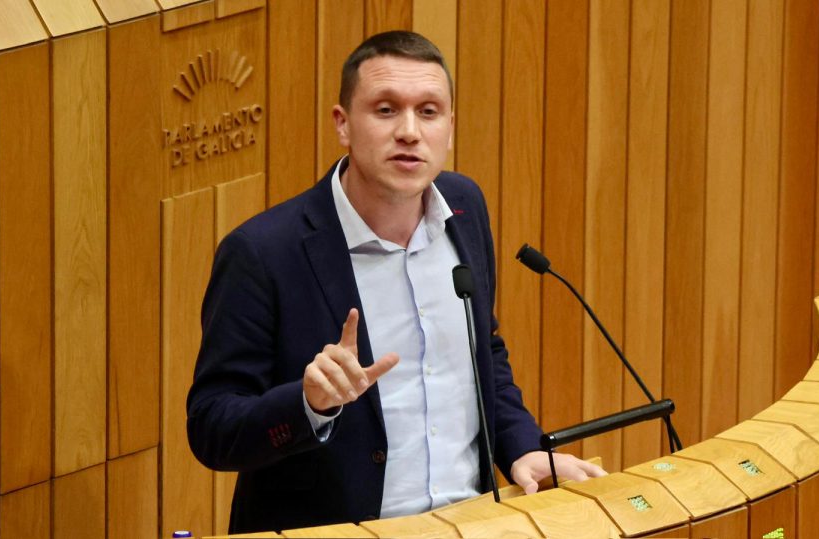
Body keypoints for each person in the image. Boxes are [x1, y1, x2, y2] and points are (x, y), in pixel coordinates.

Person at [186, 30, 605, 534]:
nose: (409, 131)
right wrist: (308, 404)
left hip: (470, 523)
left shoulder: (464, 208)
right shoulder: (263, 252)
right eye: (385, 110)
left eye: (428, 111)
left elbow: (482, 352)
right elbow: (212, 427)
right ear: (343, 123)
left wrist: (521, 446)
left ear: (450, 127)